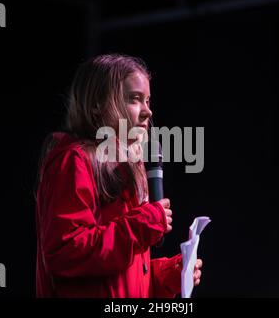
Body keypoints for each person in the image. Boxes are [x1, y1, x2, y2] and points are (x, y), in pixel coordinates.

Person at [35, 54, 203, 298]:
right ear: (97, 104)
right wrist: (140, 224)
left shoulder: (126, 168)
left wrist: (167, 274)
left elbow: (117, 277)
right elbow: (64, 252)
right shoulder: (74, 161)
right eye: (134, 99)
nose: (148, 111)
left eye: (148, 100)